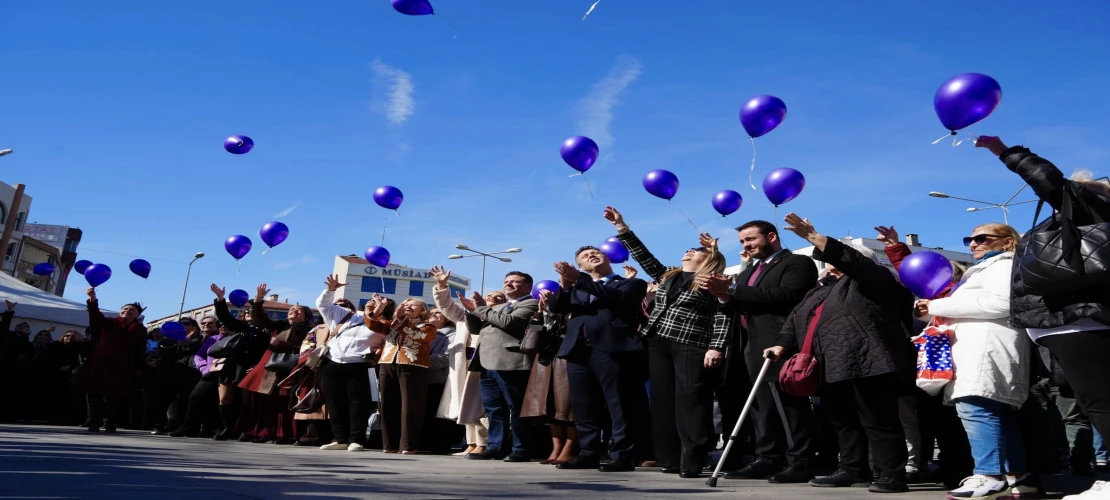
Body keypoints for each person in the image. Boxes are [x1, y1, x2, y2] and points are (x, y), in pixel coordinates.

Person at [977, 136, 1110, 500]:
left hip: (1082, 320)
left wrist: (1005, 151)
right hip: (1078, 321)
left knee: (1099, 402)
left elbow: (1050, 180)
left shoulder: (1086, 210)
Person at [764, 213, 914, 493]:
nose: (828, 267)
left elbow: (855, 263)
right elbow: (797, 317)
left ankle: (891, 473)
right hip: (830, 362)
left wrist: (814, 237)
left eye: (833, 262)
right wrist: (782, 343)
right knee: (842, 419)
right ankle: (852, 468)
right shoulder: (820, 291)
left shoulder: (872, 278)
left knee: (877, 419)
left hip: (869, 358)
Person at [606, 206, 732, 478]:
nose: (689, 251)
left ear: (709, 259)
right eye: (687, 249)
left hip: (691, 343)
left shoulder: (713, 280)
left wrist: (716, 346)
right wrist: (621, 227)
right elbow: (644, 257)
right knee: (663, 401)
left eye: (696, 251)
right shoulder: (668, 276)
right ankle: (670, 457)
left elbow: (724, 315)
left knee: (692, 400)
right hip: (658, 343)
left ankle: (694, 458)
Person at [699, 220, 818, 482]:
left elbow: (788, 296)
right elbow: (732, 307)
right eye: (742, 241)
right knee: (761, 405)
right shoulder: (748, 272)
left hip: (780, 341)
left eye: (751, 239)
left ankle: (800, 460)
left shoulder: (796, 263)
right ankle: (767, 457)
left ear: (771, 236)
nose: (746, 245)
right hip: (750, 343)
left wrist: (731, 289)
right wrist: (722, 296)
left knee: (787, 403)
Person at [548, 245, 650, 472]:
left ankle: (623, 454)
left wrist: (579, 279)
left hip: (612, 348)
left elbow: (618, 299)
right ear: (581, 266)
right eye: (585, 257)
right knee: (584, 405)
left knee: (618, 404)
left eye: (596, 253)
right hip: (578, 350)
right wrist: (565, 285)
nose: (592, 256)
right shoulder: (577, 287)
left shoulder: (630, 283)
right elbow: (556, 307)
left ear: (607, 258)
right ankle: (588, 453)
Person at [460, 272, 540, 462]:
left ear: (528, 286)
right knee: (494, 408)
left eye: (514, 282)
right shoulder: (499, 307)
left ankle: (521, 448)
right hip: (487, 362)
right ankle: (496, 446)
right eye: (506, 281)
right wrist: (472, 311)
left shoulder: (530, 303)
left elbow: (509, 322)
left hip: (511, 362)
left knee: (516, 407)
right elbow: (476, 329)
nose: (508, 284)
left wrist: (481, 308)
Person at [236, 284, 313, 444]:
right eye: (292, 308)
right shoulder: (279, 326)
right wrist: (258, 300)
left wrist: (284, 346)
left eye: (299, 310)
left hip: (289, 370)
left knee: (282, 404)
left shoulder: (309, 330)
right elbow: (260, 318)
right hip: (267, 369)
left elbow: (308, 349)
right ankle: (258, 432)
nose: (293, 310)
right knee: (259, 402)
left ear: (305, 316)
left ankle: (283, 434)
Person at [430, 266, 491, 458]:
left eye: (497, 299)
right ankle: (471, 443)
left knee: (479, 406)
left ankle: (483, 443)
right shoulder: (465, 316)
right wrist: (441, 285)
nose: (491, 301)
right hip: (463, 363)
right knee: (464, 405)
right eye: (489, 298)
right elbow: (447, 306)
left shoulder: (495, 318)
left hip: (484, 364)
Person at [366, 296, 438, 454]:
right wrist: (379, 308)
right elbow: (372, 324)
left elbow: (416, 335)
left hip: (413, 366)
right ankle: (389, 444)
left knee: (410, 407)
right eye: (406, 304)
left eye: (414, 305)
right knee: (387, 405)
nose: (408, 306)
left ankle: (408, 445)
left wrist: (398, 319)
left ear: (423, 310)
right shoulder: (393, 323)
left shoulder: (428, 326)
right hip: (387, 364)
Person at [314, 276, 378, 452]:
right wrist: (330, 290)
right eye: (371, 300)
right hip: (332, 363)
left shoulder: (383, 324)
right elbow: (323, 305)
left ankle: (356, 440)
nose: (373, 301)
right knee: (334, 402)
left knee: (358, 403)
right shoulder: (348, 315)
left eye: (378, 301)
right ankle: (340, 438)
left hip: (359, 365)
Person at [83, 288, 147, 433]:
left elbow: (140, 350)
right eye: (125, 308)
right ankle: (94, 422)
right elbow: (95, 316)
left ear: (137, 314)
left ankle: (110, 422)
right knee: (95, 393)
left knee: (115, 396)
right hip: (101, 363)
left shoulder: (140, 329)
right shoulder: (110, 322)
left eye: (132, 310)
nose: (128, 311)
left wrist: (140, 368)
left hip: (123, 367)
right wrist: (93, 300)